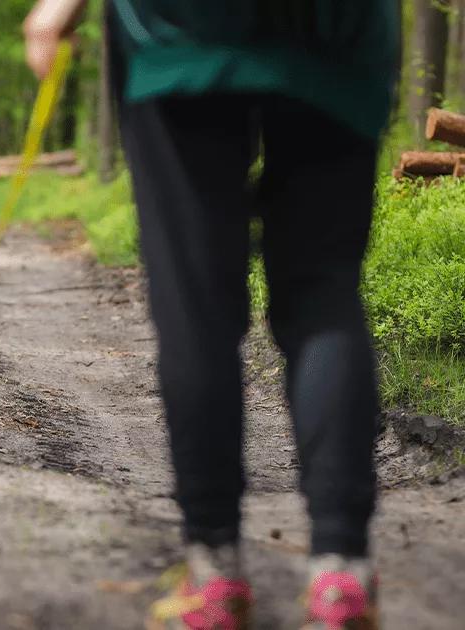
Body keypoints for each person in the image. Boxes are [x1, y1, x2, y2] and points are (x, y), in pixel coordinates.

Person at [23, 1, 400, 629]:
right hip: (338, 37)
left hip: (181, 35)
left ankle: (215, 574)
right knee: (323, 293)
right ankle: (342, 573)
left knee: (195, 308)